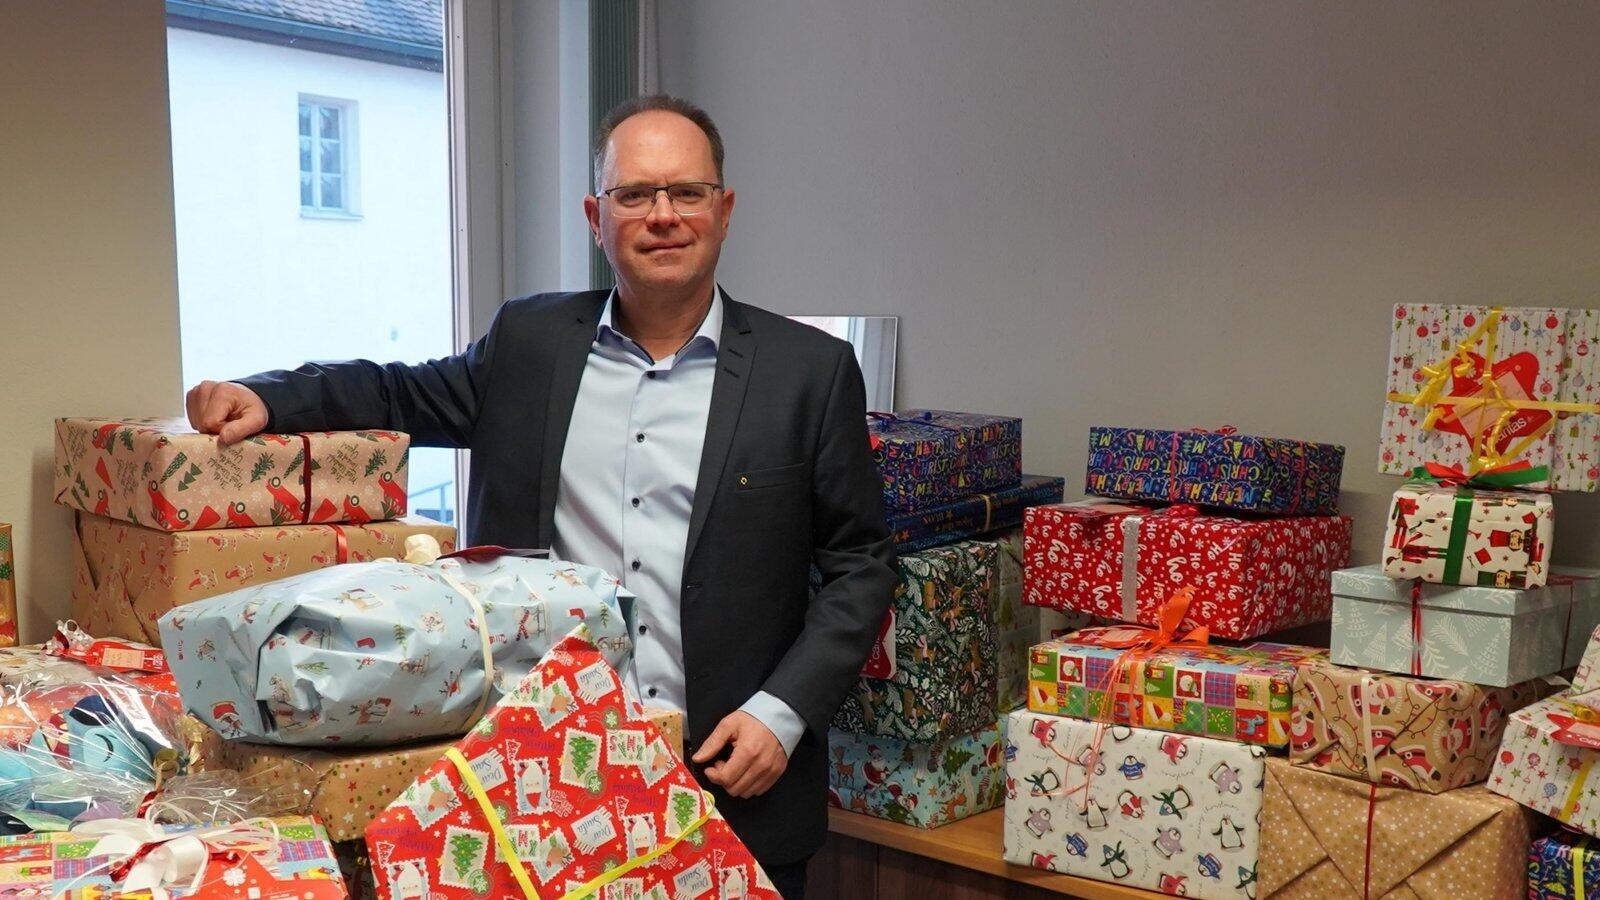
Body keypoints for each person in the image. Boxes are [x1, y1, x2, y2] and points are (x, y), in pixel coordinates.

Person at [184, 94, 897, 898]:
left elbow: (862, 565)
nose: (663, 215)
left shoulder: (808, 373)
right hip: (540, 781)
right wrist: (267, 397)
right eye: (635, 194)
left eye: (687, 192)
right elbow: (396, 393)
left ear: (724, 210)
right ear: (597, 217)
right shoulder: (531, 344)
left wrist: (782, 712)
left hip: (735, 781)